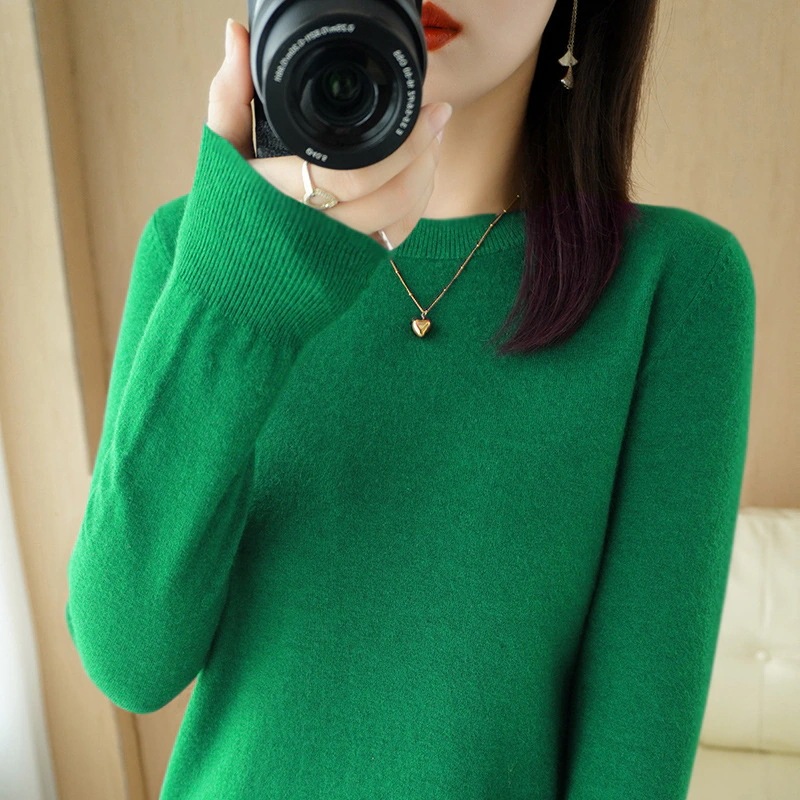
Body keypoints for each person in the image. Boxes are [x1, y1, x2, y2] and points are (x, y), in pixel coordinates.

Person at [65, 3, 756, 799]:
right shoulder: (203, 251)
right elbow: (129, 663)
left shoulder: (676, 285)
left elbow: (634, 762)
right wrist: (241, 286)